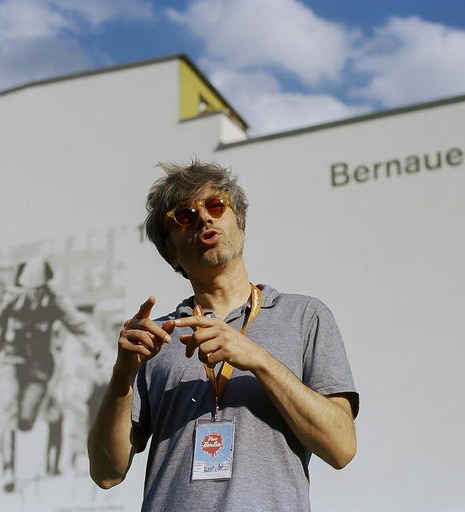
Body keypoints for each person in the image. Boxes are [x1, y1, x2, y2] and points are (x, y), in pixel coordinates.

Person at [88, 160, 359, 511]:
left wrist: (259, 359)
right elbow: (107, 473)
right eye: (184, 216)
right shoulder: (158, 338)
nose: (204, 218)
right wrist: (122, 375)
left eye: (216, 205)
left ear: (240, 224)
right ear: (171, 254)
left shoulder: (305, 316)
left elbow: (341, 447)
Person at [0, 256, 103, 492]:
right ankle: (8, 470)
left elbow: (79, 324)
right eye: (32, 290)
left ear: (46, 285)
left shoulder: (56, 301)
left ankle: (23, 424)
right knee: (8, 409)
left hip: (39, 368)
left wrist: (99, 348)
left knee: (25, 421)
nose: (35, 296)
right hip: (11, 361)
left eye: (39, 290)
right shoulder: (13, 298)